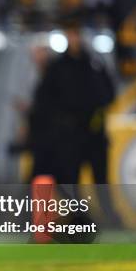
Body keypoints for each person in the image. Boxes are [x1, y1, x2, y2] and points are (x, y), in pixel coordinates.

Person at [29, 20, 114, 184]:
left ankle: (102, 210)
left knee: (101, 182)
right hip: (69, 135)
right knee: (70, 182)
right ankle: (76, 210)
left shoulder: (94, 64)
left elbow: (109, 93)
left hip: (95, 132)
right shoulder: (58, 68)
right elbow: (45, 101)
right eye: (71, 33)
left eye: (77, 33)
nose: (75, 38)